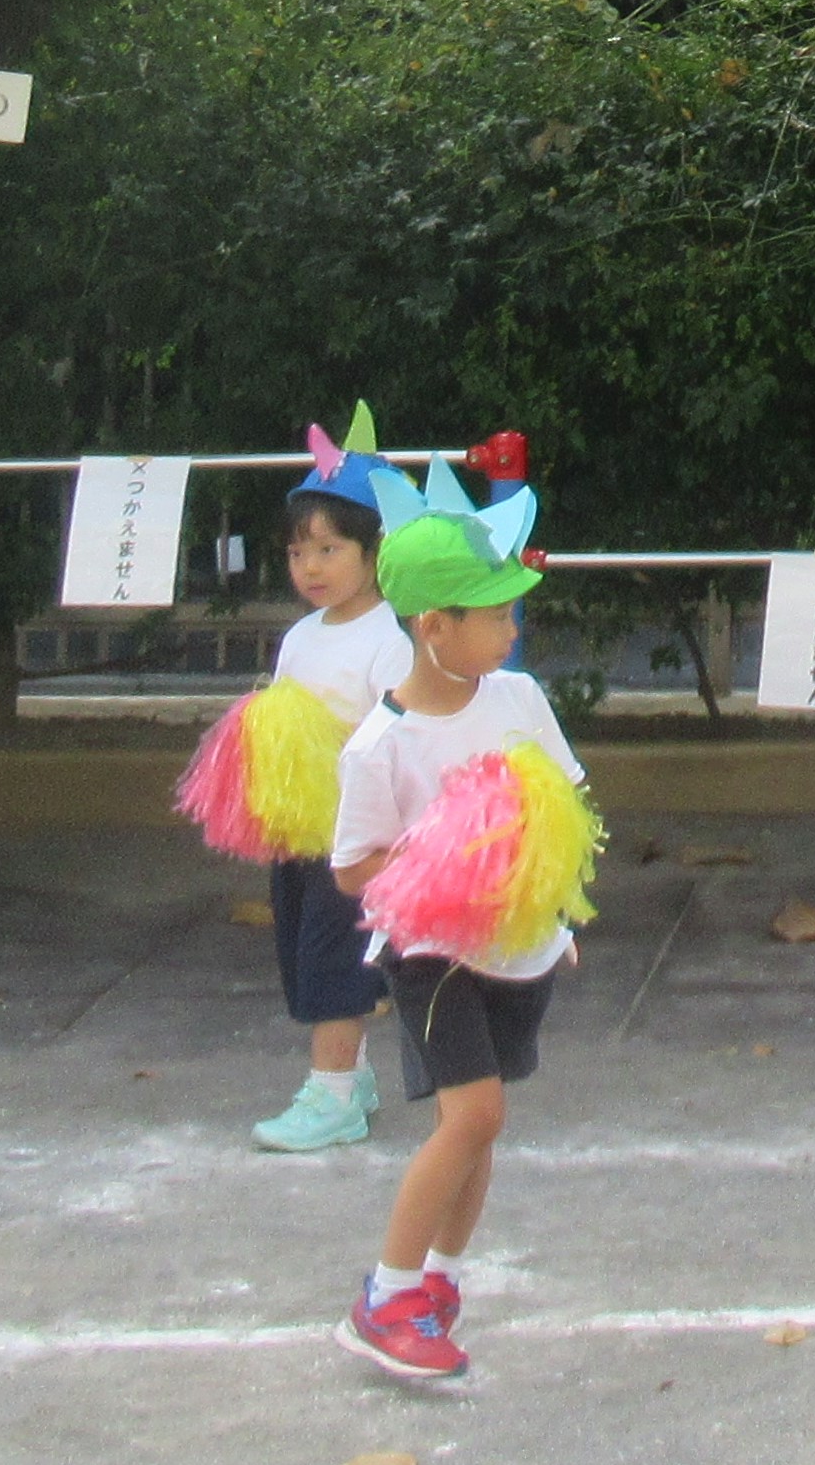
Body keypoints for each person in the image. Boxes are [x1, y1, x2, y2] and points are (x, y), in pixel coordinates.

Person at [328, 469, 588, 1383]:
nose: (512, 627)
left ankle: (439, 1279)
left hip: (520, 950)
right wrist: (441, 868)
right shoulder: (381, 745)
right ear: (434, 626)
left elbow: (563, 801)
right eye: (494, 613)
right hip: (430, 953)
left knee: (483, 1124)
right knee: (472, 1111)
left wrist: (553, 909)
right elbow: (352, 863)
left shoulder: (517, 701)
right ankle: (386, 1297)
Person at [247, 412, 414, 1152]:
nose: (310, 565)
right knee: (300, 952)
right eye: (297, 550)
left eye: (329, 547)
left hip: (356, 835)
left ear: (375, 552)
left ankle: (333, 1095)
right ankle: (357, 1077)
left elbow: (395, 735)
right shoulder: (299, 637)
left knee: (332, 959)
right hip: (302, 829)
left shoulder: (387, 639)